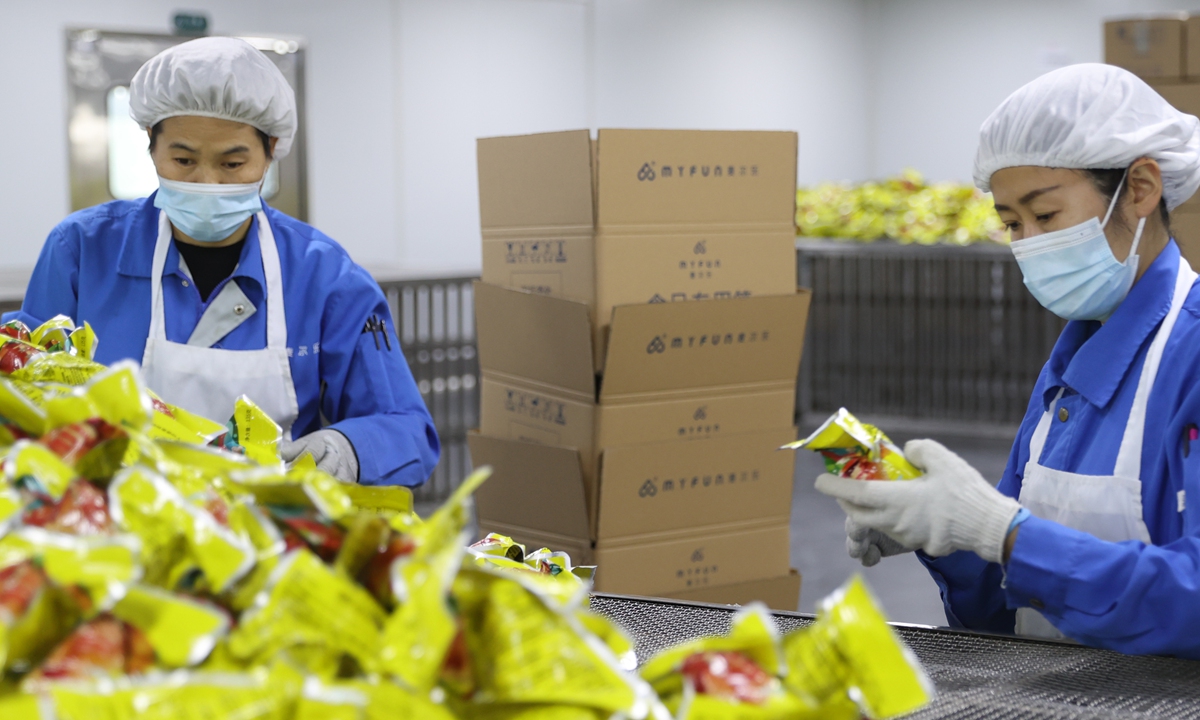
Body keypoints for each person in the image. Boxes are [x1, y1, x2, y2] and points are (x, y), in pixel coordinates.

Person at [815, 63, 1200, 657]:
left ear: (1142, 188)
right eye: (1011, 223)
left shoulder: (1189, 359)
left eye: (1045, 216)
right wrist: (947, 533)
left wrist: (1009, 535)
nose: (1030, 246)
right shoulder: (1069, 367)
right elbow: (1007, 616)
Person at [9, 37, 439, 487]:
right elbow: (25, 391)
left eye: (232, 164)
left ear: (271, 150)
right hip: (110, 531)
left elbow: (405, 427)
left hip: (268, 534)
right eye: (183, 160)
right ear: (151, 147)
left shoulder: (323, 276)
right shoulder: (81, 251)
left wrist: (345, 448)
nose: (207, 182)